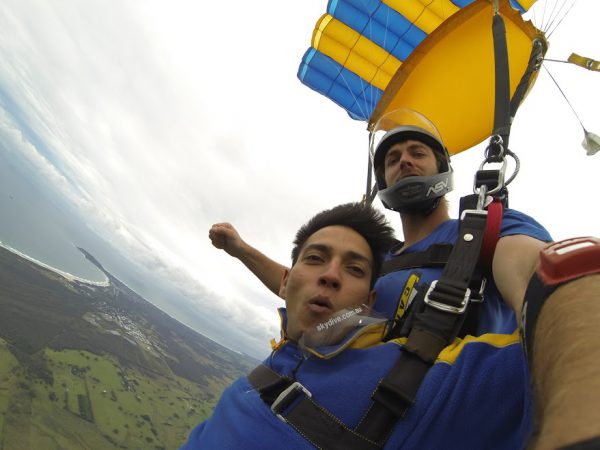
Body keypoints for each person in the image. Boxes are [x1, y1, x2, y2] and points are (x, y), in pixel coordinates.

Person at [205, 110, 600, 449]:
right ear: (384, 183)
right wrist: (242, 250)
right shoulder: (376, 261)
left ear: (442, 167)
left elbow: (546, 277)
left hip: (441, 411)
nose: (404, 162)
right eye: (392, 159)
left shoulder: (483, 232)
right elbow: (305, 287)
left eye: (417, 153)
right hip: (348, 408)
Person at [181, 202, 397, 449]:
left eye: (355, 269)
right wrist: (239, 248)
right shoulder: (274, 365)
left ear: (368, 303)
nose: (331, 275)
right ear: (284, 283)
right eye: (315, 258)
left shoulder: (391, 381)